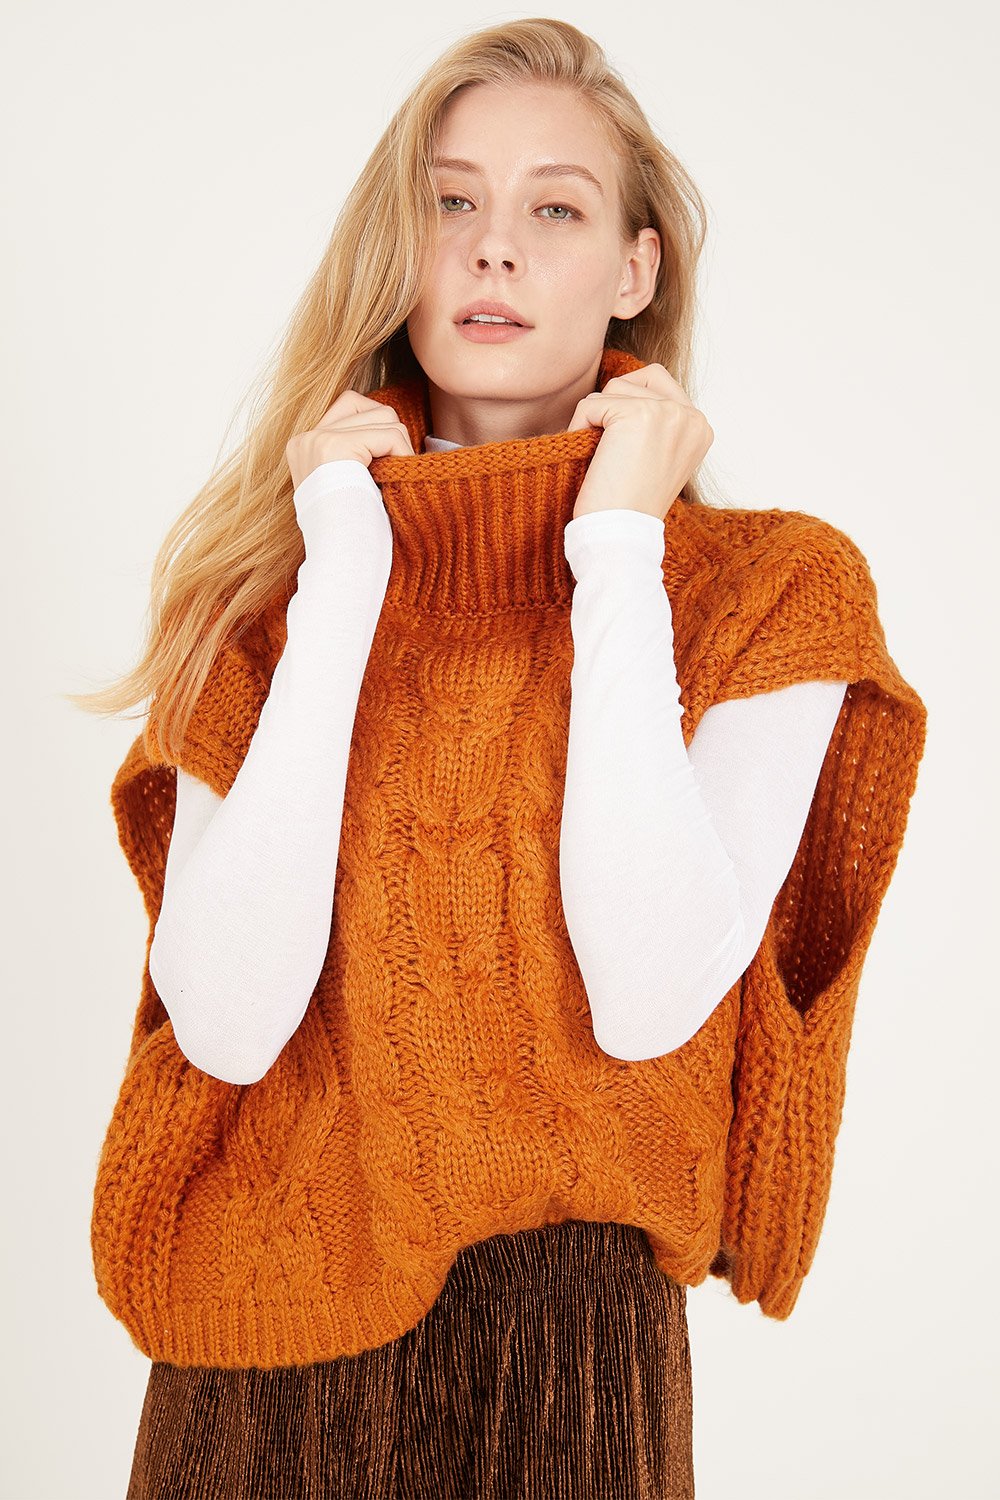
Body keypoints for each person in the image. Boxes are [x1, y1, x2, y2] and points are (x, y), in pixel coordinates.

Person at [74, 18, 927, 1500]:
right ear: (397, 251)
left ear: (637, 270)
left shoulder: (767, 592)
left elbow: (648, 994)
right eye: (452, 201)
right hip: (258, 1346)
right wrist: (345, 572)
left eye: (557, 209)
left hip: (569, 1355)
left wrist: (618, 548)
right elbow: (227, 1026)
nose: (495, 249)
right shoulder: (268, 601)